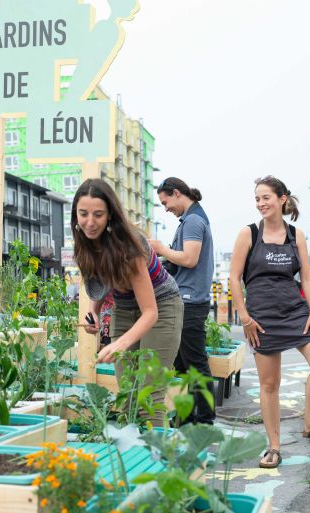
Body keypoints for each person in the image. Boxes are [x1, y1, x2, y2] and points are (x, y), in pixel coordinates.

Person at [230, 176, 310, 469]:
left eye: (266, 197)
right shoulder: (249, 233)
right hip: (261, 316)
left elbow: (306, 276)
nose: (260, 203)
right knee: (270, 384)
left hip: (295, 310)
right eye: (257, 198)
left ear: (282, 199)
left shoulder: (296, 234)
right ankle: (274, 446)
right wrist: (244, 317)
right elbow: (233, 277)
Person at [73, 178, 183, 423]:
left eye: (98, 215)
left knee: (148, 399)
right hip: (124, 308)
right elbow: (99, 286)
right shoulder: (84, 244)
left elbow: (150, 312)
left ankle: (156, 460)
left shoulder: (128, 247)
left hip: (161, 306)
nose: (90, 222)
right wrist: (94, 314)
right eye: (83, 214)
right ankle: (134, 457)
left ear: (110, 215)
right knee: (128, 397)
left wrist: (120, 343)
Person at [150, 177, 216, 425]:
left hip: (190, 300)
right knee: (182, 362)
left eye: (166, 202)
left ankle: (204, 418)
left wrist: (160, 248)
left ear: (177, 193)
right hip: (188, 299)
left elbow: (189, 259)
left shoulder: (193, 221)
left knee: (194, 362)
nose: (166, 208)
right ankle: (188, 416)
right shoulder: (192, 219)